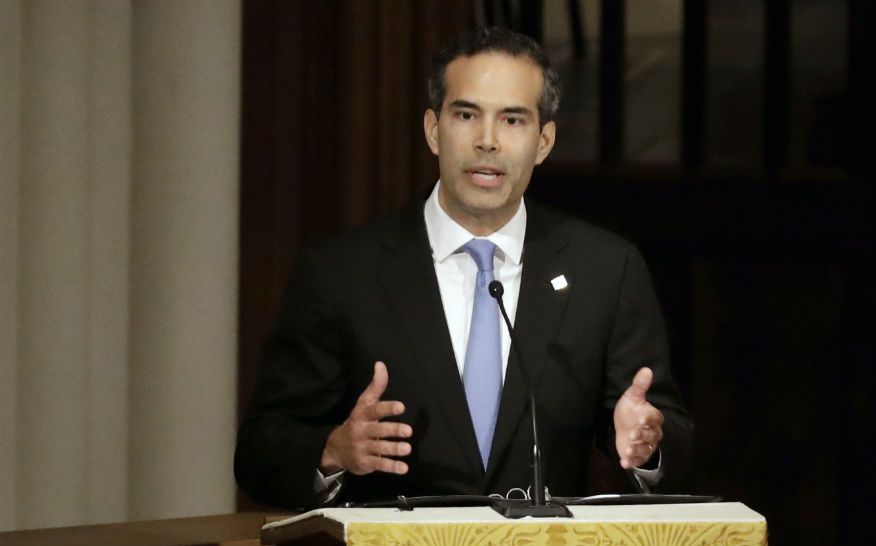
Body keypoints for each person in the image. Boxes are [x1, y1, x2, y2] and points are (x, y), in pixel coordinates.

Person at [234, 27, 692, 512]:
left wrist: (648, 447)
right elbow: (260, 453)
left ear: (544, 141)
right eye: (467, 115)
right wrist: (333, 452)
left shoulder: (605, 270)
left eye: (513, 120)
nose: (487, 141)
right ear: (434, 130)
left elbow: (672, 443)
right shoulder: (343, 274)